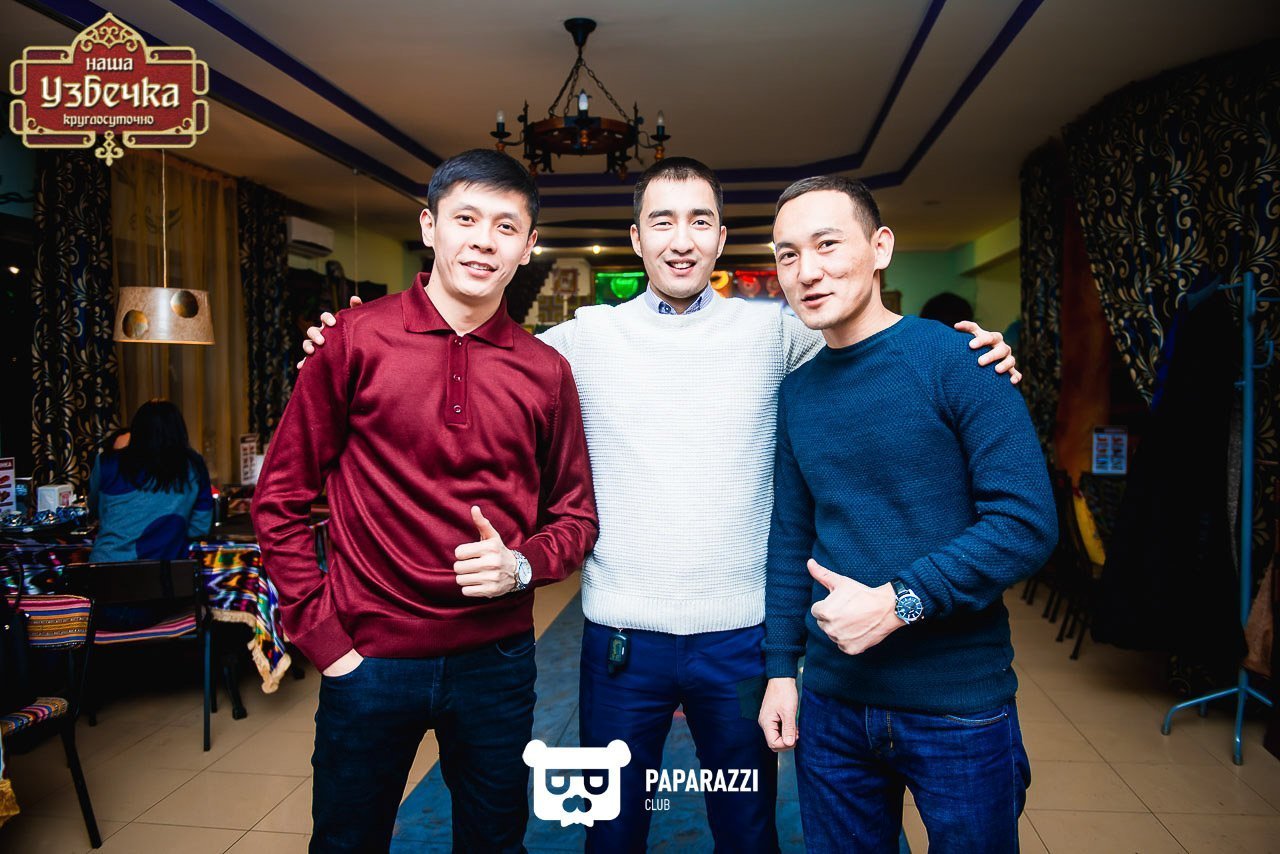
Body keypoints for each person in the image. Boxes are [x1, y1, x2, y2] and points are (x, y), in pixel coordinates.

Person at [304, 157, 1019, 853]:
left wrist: (971, 354)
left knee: (747, 827)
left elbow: (868, 342)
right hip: (621, 641)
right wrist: (349, 340)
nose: (682, 240)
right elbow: (477, 353)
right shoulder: (581, 340)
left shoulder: (777, 332)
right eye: (662, 222)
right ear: (637, 237)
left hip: (741, 641)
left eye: (700, 222)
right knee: (612, 830)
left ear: (721, 238)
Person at [253, 149, 598, 853]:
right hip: (369, 657)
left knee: (495, 843)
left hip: (496, 661)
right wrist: (324, 639)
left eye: (506, 227)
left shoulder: (546, 371)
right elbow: (281, 497)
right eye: (465, 219)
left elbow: (576, 516)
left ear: (528, 247)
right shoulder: (354, 339)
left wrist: (522, 566)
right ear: (429, 226)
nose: (484, 241)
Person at [758, 175, 1056, 853]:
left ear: (880, 247)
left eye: (827, 244)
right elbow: (791, 539)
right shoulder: (798, 392)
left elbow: (1025, 522)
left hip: (956, 702)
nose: (807, 271)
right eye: (788, 255)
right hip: (833, 701)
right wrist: (780, 669)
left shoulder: (960, 360)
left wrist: (901, 601)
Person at [89, 400, 212, 563]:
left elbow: (95, 510)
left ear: (136, 430)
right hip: (163, 569)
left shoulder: (106, 462)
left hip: (105, 566)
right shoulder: (193, 466)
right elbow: (199, 527)